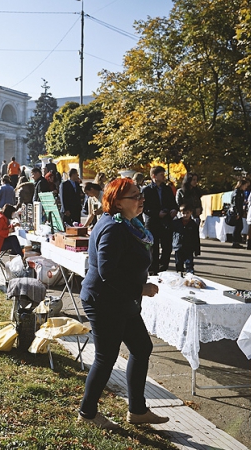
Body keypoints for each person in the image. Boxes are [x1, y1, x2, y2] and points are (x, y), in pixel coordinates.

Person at [78, 177, 168, 430]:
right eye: (135, 196)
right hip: (104, 301)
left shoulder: (129, 224)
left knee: (141, 347)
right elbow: (107, 272)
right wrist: (141, 288)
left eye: (141, 195)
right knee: (106, 358)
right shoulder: (113, 228)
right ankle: (87, 413)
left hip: (122, 300)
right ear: (117, 202)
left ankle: (137, 411)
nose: (141, 200)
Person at [141, 166, 178, 274]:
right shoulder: (147, 190)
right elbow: (144, 207)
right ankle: (153, 270)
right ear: (154, 176)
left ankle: (163, 268)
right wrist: (156, 213)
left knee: (167, 247)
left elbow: (173, 203)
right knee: (154, 248)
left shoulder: (167, 189)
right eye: (161, 175)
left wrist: (174, 210)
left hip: (166, 221)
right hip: (153, 222)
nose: (163, 177)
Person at [172, 203, 201, 274]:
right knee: (179, 263)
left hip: (189, 247)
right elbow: (172, 234)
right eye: (183, 213)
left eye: (187, 213)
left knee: (189, 263)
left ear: (191, 213)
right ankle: (179, 275)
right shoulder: (176, 223)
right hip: (178, 246)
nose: (185, 215)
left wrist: (197, 249)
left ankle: (190, 275)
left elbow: (196, 237)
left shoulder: (193, 224)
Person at [230, 178, 250, 248]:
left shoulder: (239, 192)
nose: (246, 187)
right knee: (238, 226)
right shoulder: (237, 193)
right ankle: (235, 241)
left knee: (239, 226)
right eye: (245, 185)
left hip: (239, 210)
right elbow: (235, 203)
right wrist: (238, 213)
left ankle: (236, 241)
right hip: (237, 211)